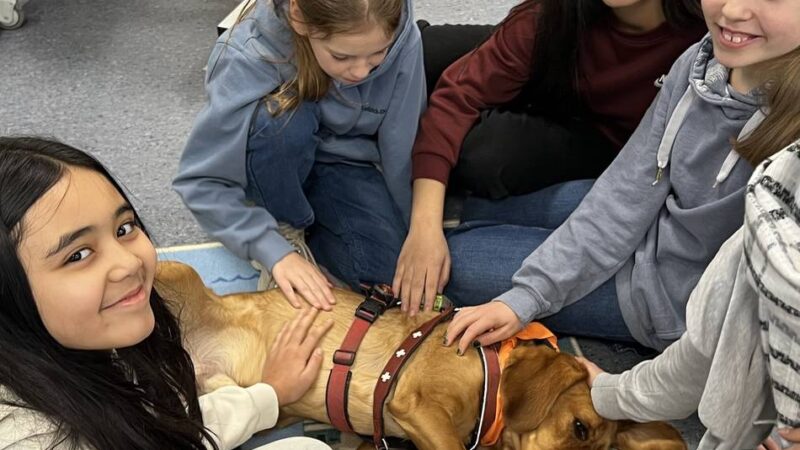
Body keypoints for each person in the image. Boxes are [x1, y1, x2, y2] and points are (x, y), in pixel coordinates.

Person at [442, 0, 800, 353]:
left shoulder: (789, 144)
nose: (733, 10)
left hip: (665, 297)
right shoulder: (697, 60)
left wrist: (529, 296)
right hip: (658, 219)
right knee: (479, 213)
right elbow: (628, 186)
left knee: (457, 259)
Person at [0, 137, 332, 450]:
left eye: (124, 228)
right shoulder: (31, 439)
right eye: (78, 255)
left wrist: (267, 396)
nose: (128, 263)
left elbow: (160, 427)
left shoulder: (87, 345)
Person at [394, 0, 707, 313]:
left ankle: (481, 203)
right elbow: (456, 97)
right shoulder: (553, 16)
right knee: (412, 53)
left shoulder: (706, 32)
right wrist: (424, 227)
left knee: (486, 155)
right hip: (557, 68)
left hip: (609, 138)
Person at [174, 0, 425, 310]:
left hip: (344, 165)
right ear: (299, 18)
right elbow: (200, 181)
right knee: (282, 121)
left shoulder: (403, 34)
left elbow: (403, 146)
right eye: (342, 56)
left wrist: (417, 229)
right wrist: (273, 250)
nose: (362, 72)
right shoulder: (247, 55)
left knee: (390, 285)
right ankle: (283, 224)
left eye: (378, 55)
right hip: (272, 160)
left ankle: (316, 234)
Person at [577, 130, 800, 449]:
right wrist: (608, 392)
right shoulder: (777, 184)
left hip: (659, 299)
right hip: (651, 273)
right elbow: (702, 352)